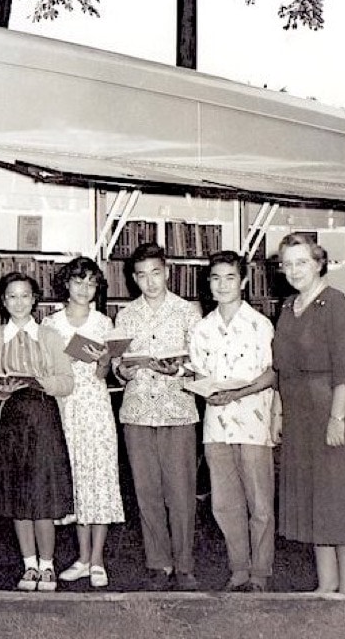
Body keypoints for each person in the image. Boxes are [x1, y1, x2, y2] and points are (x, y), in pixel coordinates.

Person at [272, 233, 345, 595]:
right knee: (315, 497)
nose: (293, 270)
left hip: (332, 412)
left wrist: (337, 418)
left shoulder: (336, 305)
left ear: (319, 263)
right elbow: (281, 369)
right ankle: (326, 585)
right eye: (287, 264)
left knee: (341, 499)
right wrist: (278, 415)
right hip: (299, 415)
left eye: (301, 262)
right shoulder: (288, 307)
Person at [112, 242, 202, 591]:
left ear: (167, 271)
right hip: (137, 412)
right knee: (146, 491)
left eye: (155, 273)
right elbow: (118, 365)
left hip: (177, 410)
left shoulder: (187, 312)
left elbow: (200, 363)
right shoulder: (126, 315)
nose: (150, 282)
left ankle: (184, 564)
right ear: (134, 279)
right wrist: (125, 372)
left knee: (180, 492)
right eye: (142, 276)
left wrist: (179, 370)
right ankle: (158, 562)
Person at [188, 250, 277, 592]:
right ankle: (239, 570)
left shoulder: (260, 325)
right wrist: (205, 392)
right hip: (216, 427)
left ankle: (260, 574)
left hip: (253, 424)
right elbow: (200, 375)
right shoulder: (202, 329)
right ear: (208, 284)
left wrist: (237, 394)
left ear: (242, 282)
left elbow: (271, 374)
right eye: (215, 278)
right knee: (225, 504)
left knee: (259, 503)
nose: (222, 285)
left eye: (229, 278)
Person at [0, 271, 76, 592]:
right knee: (17, 496)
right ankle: (29, 566)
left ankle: (48, 566)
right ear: (3, 301)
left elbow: (67, 382)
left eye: (25, 295)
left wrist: (40, 382)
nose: (19, 302)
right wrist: (3, 388)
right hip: (11, 420)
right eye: (12, 296)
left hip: (43, 417)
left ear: (34, 299)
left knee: (42, 493)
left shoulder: (49, 336)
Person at [42, 256, 125, 589]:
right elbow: (46, 368)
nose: (84, 289)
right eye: (79, 281)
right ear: (66, 283)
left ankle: (97, 560)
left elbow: (104, 373)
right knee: (76, 480)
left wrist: (105, 359)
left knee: (99, 478)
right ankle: (81, 557)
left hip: (95, 405)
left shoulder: (104, 323)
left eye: (91, 283)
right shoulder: (50, 323)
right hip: (64, 406)